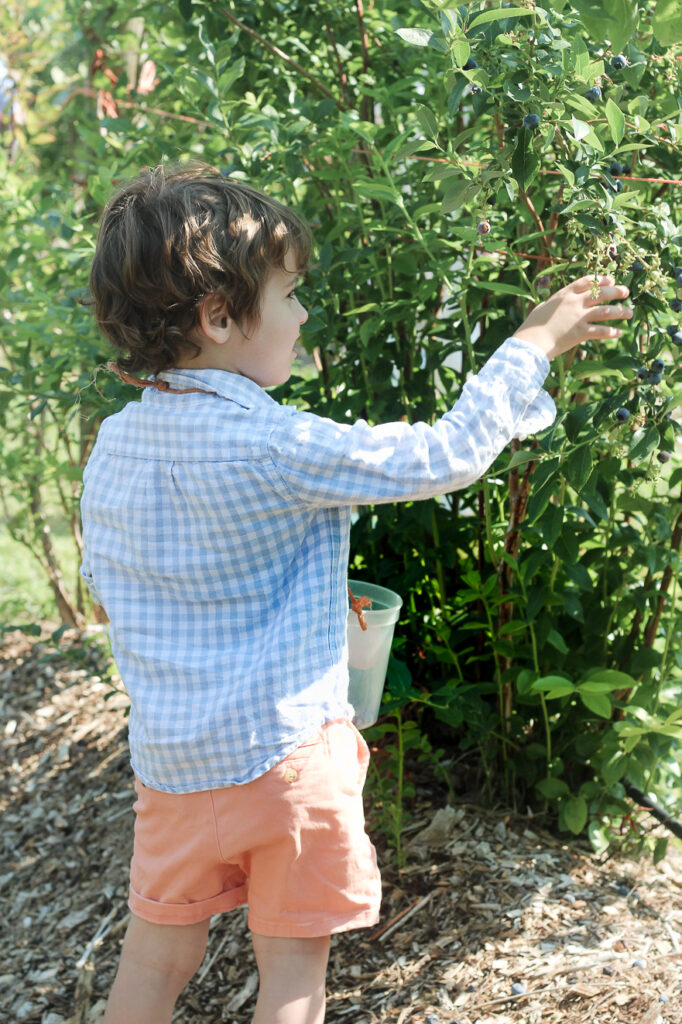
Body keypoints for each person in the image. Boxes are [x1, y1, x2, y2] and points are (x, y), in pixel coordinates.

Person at [80, 162, 634, 1024]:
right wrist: (534, 344)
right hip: (286, 759)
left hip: (174, 771)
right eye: (290, 294)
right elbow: (444, 455)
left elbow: (121, 591)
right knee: (292, 977)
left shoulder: (113, 446)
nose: (302, 316)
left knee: (152, 964)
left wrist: (281, 597)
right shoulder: (276, 442)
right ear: (220, 317)